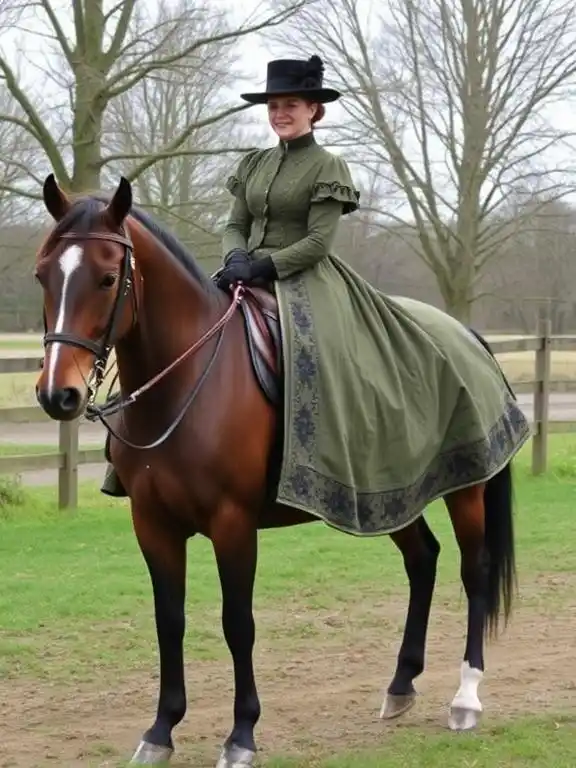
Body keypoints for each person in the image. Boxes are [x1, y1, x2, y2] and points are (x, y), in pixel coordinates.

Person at [101, 55, 530, 544]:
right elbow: (234, 223)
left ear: (313, 112)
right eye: (274, 106)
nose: (280, 113)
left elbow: (317, 243)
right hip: (245, 276)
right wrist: (237, 257)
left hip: (308, 280)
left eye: (291, 105)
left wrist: (265, 265)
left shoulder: (328, 166)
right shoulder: (254, 164)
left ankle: (331, 462)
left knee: (322, 355)